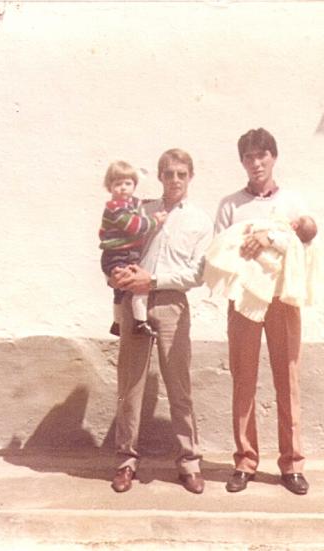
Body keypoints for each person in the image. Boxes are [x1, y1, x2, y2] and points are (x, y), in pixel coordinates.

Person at [214, 128, 318, 495]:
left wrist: (272, 236)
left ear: (273, 157)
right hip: (244, 298)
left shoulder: (292, 201)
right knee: (243, 378)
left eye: (262, 155)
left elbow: (307, 238)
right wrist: (245, 244)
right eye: (249, 156)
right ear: (242, 161)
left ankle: (292, 464)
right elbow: (219, 249)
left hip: (281, 298)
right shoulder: (230, 205)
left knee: (287, 378)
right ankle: (245, 461)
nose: (256, 163)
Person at [108, 149, 213, 495]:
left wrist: (153, 280)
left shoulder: (199, 220)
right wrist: (115, 274)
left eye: (182, 174)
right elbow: (116, 246)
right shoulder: (141, 210)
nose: (175, 180)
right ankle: (126, 460)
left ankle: (189, 462)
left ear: (190, 176)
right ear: (160, 176)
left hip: (171, 304)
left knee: (179, 386)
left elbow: (197, 274)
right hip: (134, 301)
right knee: (131, 385)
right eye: (169, 174)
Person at [203, 214, 319, 323]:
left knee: (283, 337)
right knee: (243, 336)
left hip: (281, 295)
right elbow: (224, 236)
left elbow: (305, 248)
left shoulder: (294, 208)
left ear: (295, 225)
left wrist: (271, 237)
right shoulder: (229, 204)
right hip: (244, 287)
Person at [99, 160, 167, 337]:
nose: (123, 188)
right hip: (117, 256)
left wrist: (158, 203)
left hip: (125, 254)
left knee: (120, 292)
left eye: (127, 183)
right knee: (137, 285)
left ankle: (117, 323)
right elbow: (135, 226)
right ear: (109, 187)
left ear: (134, 185)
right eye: (117, 184)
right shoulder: (115, 209)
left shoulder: (131, 203)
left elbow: (141, 204)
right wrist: (155, 220)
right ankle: (140, 322)